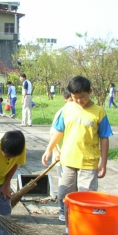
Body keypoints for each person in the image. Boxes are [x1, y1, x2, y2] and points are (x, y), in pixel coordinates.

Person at [42, 76, 113, 235]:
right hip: (67, 160)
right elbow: (58, 131)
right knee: (65, 197)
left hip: (89, 163)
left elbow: (104, 138)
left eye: (82, 97)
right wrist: (49, 149)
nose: (79, 101)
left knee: (87, 200)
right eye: (75, 98)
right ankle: (69, 232)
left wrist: (103, 163)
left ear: (90, 92)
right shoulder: (67, 109)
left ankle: (86, 234)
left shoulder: (99, 112)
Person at [50, 89, 72, 222]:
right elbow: (53, 134)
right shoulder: (62, 113)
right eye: (71, 100)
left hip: (75, 157)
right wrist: (56, 152)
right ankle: (63, 212)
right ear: (65, 98)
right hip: (62, 157)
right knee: (64, 186)